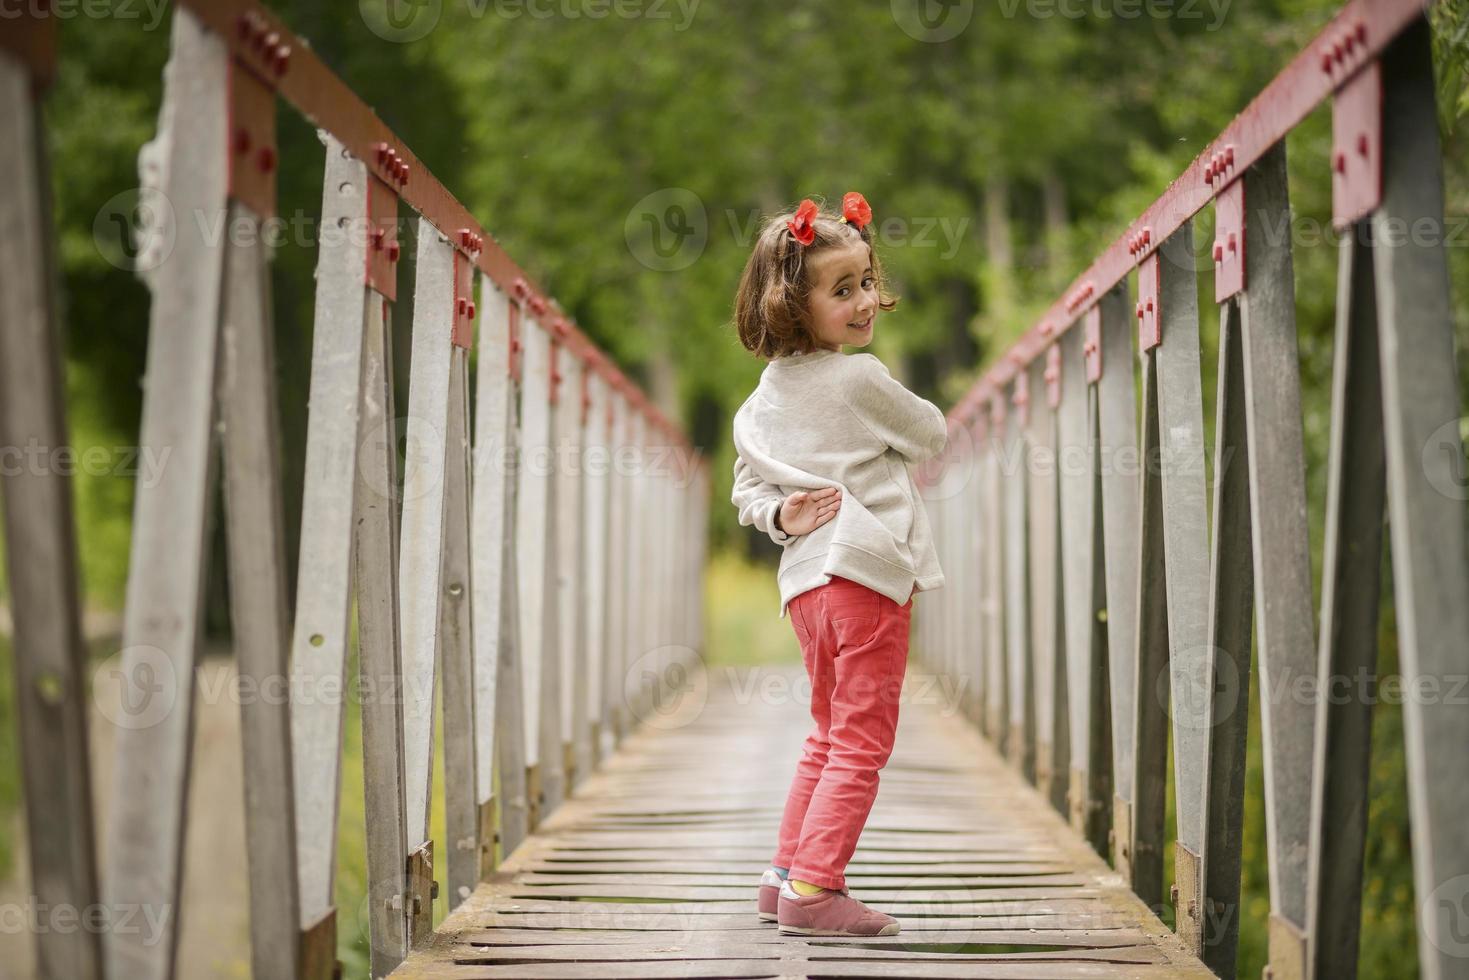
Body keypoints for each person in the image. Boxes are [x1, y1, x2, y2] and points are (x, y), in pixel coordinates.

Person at [728, 193, 948, 937]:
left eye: (864, 282)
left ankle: (783, 874)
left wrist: (778, 516)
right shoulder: (858, 380)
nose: (862, 304)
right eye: (841, 290)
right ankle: (816, 892)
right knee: (860, 740)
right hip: (864, 576)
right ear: (794, 305)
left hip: (806, 588)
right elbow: (930, 434)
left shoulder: (764, 395)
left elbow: (747, 486)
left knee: (826, 730)